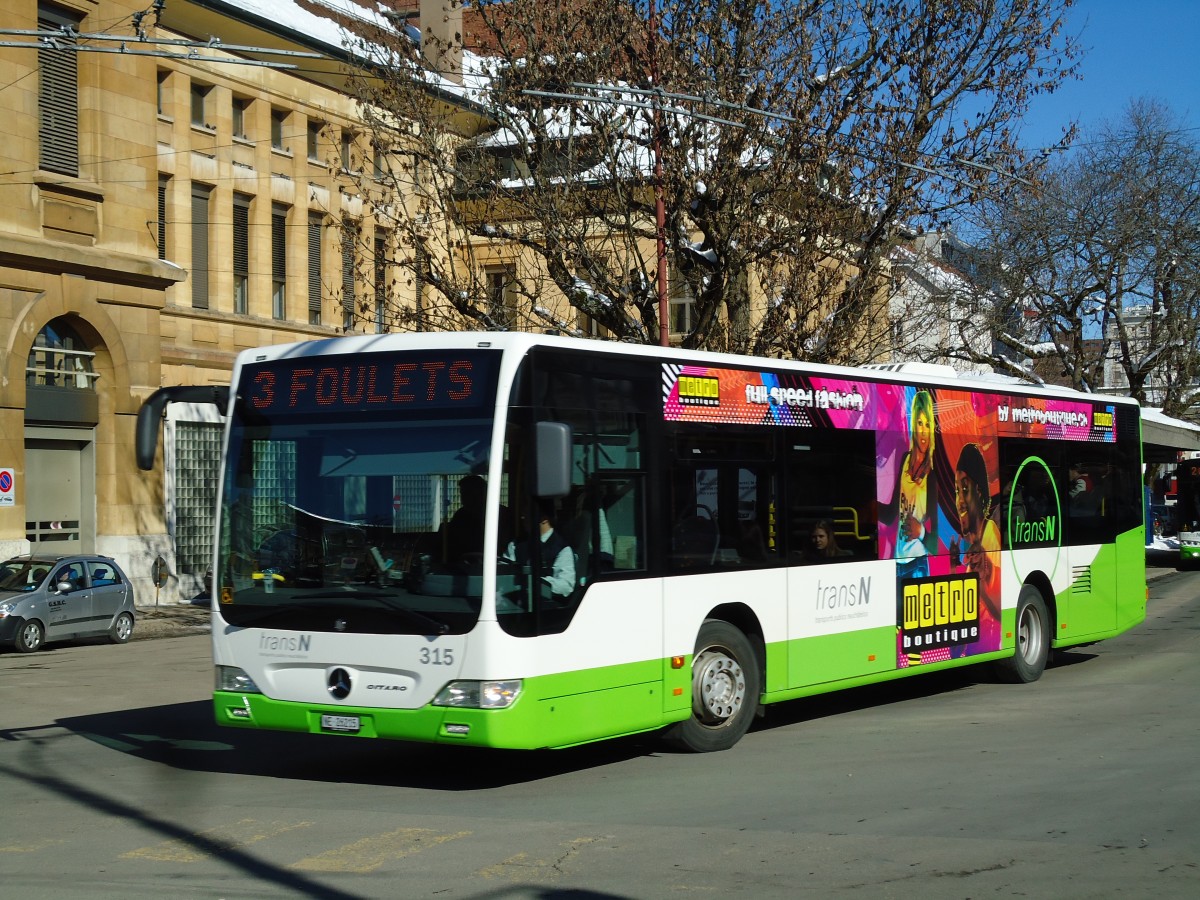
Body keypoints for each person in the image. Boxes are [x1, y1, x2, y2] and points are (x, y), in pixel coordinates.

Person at [951, 443, 1001, 644]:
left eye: (965, 488)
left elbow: (999, 607)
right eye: (956, 491)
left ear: (979, 492)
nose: (960, 500)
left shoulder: (991, 539)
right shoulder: (972, 548)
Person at [504, 502, 577, 602]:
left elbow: (566, 585)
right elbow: (504, 571)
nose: (522, 517)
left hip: (546, 608)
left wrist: (537, 582)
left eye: (527, 514)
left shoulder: (562, 549)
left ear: (544, 519)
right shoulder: (516, 544)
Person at [896, 391, 935, 559]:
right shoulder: (904, 460)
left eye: (928, 424)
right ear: (913, 424)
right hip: (897, 559)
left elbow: (938, 545)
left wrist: (920, 531)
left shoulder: (932, 475)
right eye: (920, 423)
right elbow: (892, 510)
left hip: (918, 561)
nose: (924, 431)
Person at [445, 474, 487, 563]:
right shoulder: (461, 515)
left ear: (483, 493)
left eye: (469, 493)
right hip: (463, 569)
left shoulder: (501, 515)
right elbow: (451, 544)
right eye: (462, 494)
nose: (463, 498)